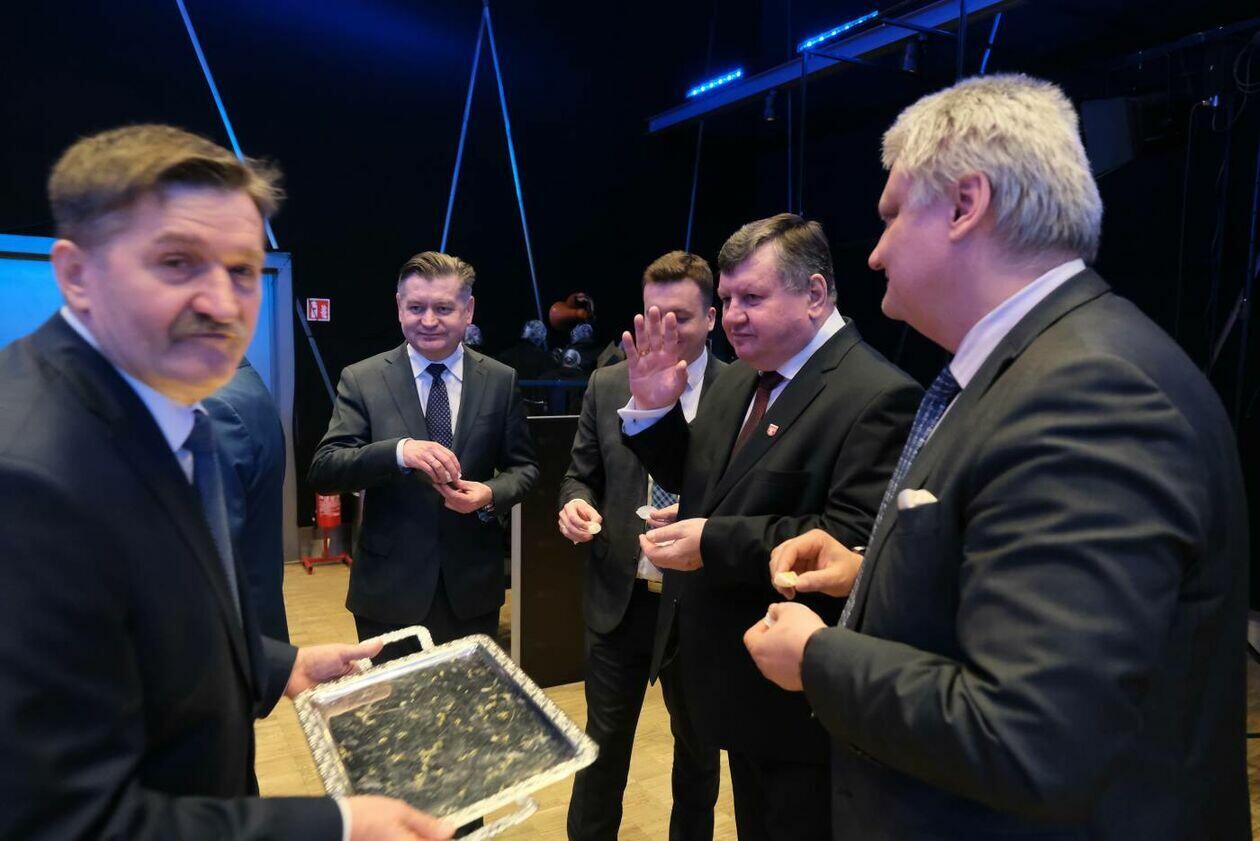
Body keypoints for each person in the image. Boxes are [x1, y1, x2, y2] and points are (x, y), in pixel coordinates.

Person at [744, 74, 1250, 840]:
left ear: (964, 204)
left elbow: (1033, 735)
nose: (874, 254)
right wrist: (870, 572)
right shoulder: (1043, 365)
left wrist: (819, 657)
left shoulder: (1090, 390)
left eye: (891, 215)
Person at [0, 125, 452, 840]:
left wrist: (276, 665)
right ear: (77, 273)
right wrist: (335, 826)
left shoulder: (171, 404)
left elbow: (147, 625)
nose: (221, 301)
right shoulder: (26, 478)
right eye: (176, 262)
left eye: (242, 270)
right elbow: (59, 818)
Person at [619, 216, 921, 840]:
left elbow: (845, 539)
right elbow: (706, 478)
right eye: (728, 299)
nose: (732, 316)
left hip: (801, 700)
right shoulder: (742, 376)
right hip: (735, 677)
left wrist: (711, 539)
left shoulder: (877, 394)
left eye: (752, 298)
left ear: (815, 294)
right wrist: (652, 409)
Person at [559, 251, 725, 841]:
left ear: (712, 317)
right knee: (600, 755)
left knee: (698, 757)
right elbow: (580, 475)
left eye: (681, 317)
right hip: (620, 599)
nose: (664, 330)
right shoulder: (606, 384)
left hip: (700, 605)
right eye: (654, 315)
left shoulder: (743, 391)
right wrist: (573, 505)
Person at [309, 251, 539, 656]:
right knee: (393, 699)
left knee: (468, 698)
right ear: (399, 307)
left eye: (443, 308)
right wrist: (399, 452)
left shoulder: (500, 381)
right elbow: (326, 468)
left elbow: (524, 468)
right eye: (416, 307)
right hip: (388, 592)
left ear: (468, 311)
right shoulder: (363, 379)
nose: (428, 320)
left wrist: (490, 494)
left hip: (471, 589)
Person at [205, 357, 290, 641]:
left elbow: (201, 558)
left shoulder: (213, 406)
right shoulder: (240, 383)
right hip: (253, 628)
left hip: (225, 638)